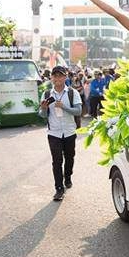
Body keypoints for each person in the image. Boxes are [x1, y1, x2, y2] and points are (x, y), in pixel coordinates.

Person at [39, 66, 82, 201]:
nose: (57, 78)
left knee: (70, 158)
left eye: (60, 76)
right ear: (51, 77)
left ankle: (67, 176)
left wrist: (64, 107)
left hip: (69, 131)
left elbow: (78, 111)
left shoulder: (72, 92)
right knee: (56, 161)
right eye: (55, 76)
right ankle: (58, 188)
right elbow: (41, 115)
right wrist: (44, 109)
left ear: (65, 77)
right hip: (54, 133)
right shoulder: (47, 94)